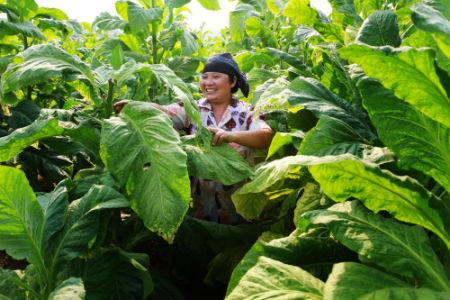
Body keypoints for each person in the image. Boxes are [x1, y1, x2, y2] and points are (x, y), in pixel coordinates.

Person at [115, 53, 272, 224]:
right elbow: (165, 112)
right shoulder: (193, 108)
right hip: (200, 207)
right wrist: (138, 107)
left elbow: (265, 136)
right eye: (204, 77)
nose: (208, 82)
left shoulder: (247, 111)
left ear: (232, 81)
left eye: (216, 77)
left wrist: (231, 135)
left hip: (239, 204)